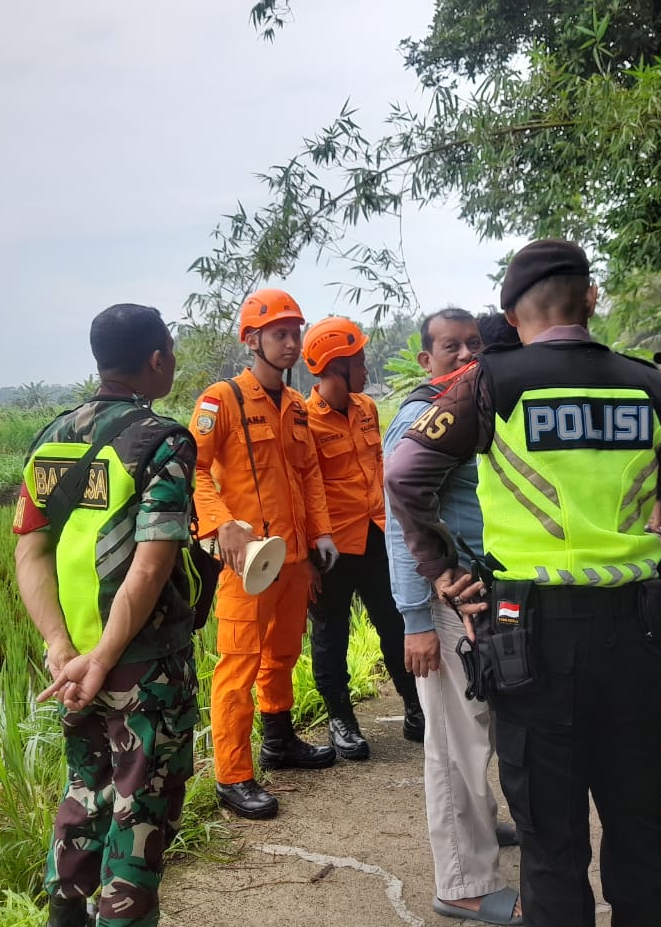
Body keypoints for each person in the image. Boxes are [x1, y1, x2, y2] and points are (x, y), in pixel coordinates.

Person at [387, 240, 661, 927]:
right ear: (591, 299)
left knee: (552, 842)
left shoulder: (489, 383)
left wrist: (441, 570)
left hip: (526, 639)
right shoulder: (651, 388)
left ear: (509, 311)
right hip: (636, 638)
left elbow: (403, 475)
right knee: (637, 825)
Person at [14, 304, 197, 927]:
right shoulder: (163, 440)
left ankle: (64, 915)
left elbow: (30, 546)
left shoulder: (54, 438)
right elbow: (150, 565)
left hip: (75, 665)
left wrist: (62, 647)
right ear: (156, 359)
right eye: (170, 350)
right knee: (139, 812)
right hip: (140, 666)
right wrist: (106, 657)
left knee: (84, 795)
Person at [383, 307, 523, 926]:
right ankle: (463, 883)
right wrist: (414, 618)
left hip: (481, 595)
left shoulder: (474, 409)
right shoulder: (421, 417)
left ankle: (480, 834)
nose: (465, 355)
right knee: (455, 743)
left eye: (473, 344)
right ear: (425, 358)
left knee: (480, 729)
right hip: (444, 604)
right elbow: (399, 523)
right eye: (449, 347)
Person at [189, 287, 338, 821]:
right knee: (238, 664)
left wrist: (321, 534)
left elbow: (309, 474)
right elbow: (196, 469)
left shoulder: (297, 406)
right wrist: (221, 524)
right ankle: (233, 775)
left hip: (293, 558)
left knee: (282, 654)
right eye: (279, 333)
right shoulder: (221, 400)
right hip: (246, 562)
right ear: (252, 339)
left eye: (295, 332)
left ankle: (279, 741)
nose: (291, 342)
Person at [302, 315, 422, 759]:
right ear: (336, 366)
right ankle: (341, 719)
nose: (367, 370)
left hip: (377, 534)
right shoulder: (304, 421)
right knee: (332, 632)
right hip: (330, 547)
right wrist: (308, 554)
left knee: (395, 622)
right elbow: (303, 488)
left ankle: (414, 707)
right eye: (360, 362)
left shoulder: (366, 409)